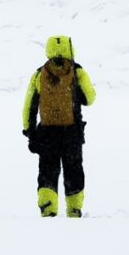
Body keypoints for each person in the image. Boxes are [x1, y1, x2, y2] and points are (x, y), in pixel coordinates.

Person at [23, 35, 97, 218]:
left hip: (47, 134)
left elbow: (29, 105)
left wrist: (29, 130)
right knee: (73, 171)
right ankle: (74, 210)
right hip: (72, 133)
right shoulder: (78, 72)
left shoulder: (40, 74)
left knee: (48, 172)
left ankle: (48, 209)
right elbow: (90, 99)